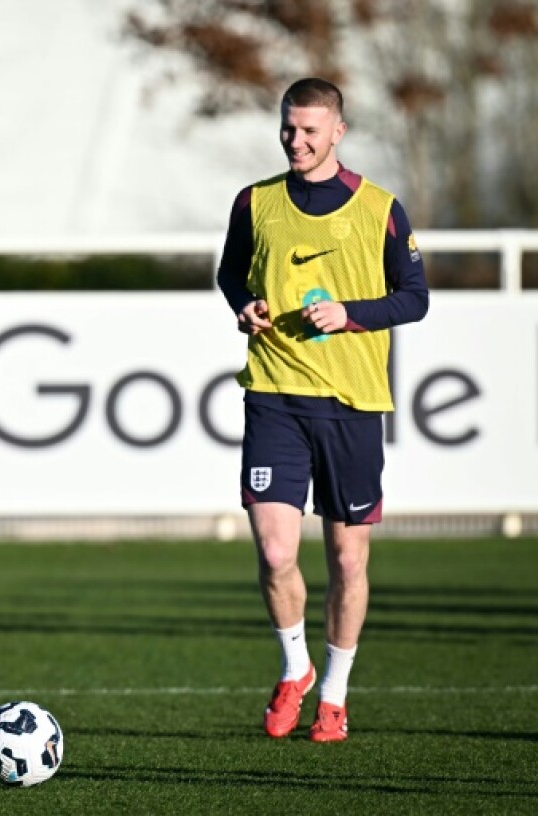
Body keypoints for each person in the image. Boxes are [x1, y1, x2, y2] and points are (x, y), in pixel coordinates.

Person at [217, 78, 429, 742]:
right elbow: (231, 273)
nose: (296, 140)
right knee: (277, 550)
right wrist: (243, 306)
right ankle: (295, 668)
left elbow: (415, 297)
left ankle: (334, 694)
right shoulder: (255, 202)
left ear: (338, 131)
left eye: (310, 130)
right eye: (288, 127)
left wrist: (350, 315)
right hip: (274, 395)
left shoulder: (381, 209)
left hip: (352, 405)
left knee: (346, 560)